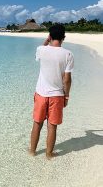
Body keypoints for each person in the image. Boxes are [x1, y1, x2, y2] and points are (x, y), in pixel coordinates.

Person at [29, 24, 74, 160]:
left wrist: (46, 41)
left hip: (41, 93)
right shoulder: (68, 54)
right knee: (52, 126)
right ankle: (49, 154)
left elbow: (41, 51)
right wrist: (66, 96)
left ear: (50, 36)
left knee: (37, 123)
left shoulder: (41, 49)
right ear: (63, 37)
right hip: (57, 95)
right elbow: (67, 79)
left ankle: (32, 151)